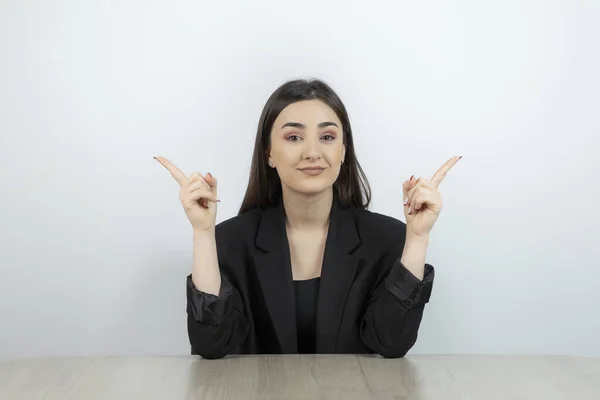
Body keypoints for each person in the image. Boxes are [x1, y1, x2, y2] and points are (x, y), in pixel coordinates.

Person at [155, 78, 461, 359]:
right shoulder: (229, 241)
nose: (313, 152)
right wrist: (203, 232)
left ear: (343, 151)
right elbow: (211, 345)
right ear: (269, 153)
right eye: (294, 137)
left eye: (327, 136)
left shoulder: (388, 239)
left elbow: (391, 343)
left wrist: (418, 237)